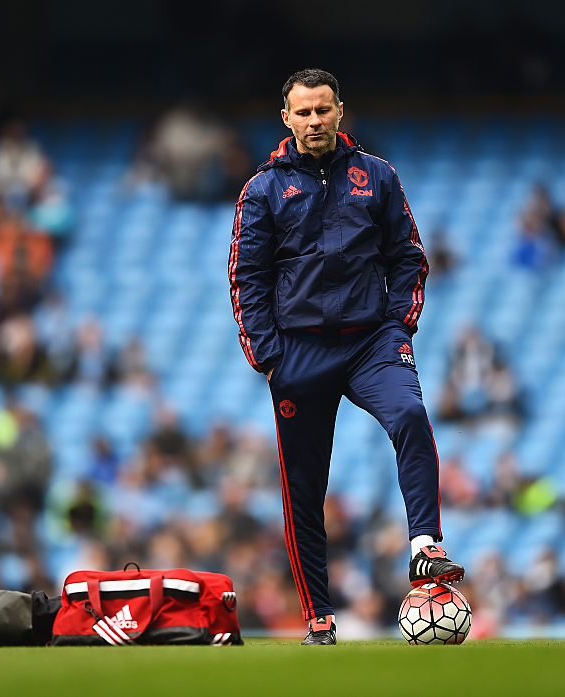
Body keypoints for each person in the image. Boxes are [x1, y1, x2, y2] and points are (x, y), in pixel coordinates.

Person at [228, 69, 462, 645]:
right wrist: (269, 357)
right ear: (286, 118)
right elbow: (245, 278)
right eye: (304, 112)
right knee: (304, 491)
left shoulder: (376, 176)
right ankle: (319, 617)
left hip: (370, 342)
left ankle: (425, 546)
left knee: (410, 414)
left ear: (339, 111)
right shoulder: (262, 189)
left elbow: (409, 256)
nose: (314, 121)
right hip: (299, 353)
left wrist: (399, 327)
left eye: (323, 110)